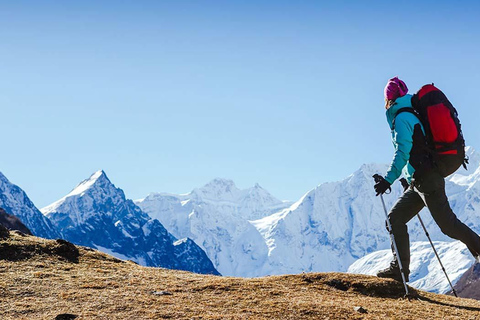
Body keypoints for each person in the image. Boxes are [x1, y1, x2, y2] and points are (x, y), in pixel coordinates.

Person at [373, 76, 480, 282]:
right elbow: (417, 149)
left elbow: (403, 152)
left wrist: (389, 180)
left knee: (448, 226)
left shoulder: (402, 118)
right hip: (420, 181)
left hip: (427, 181)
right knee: (395, 219)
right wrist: (407, 176)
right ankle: (399, 271)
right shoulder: (411, 114)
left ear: (388, 100)